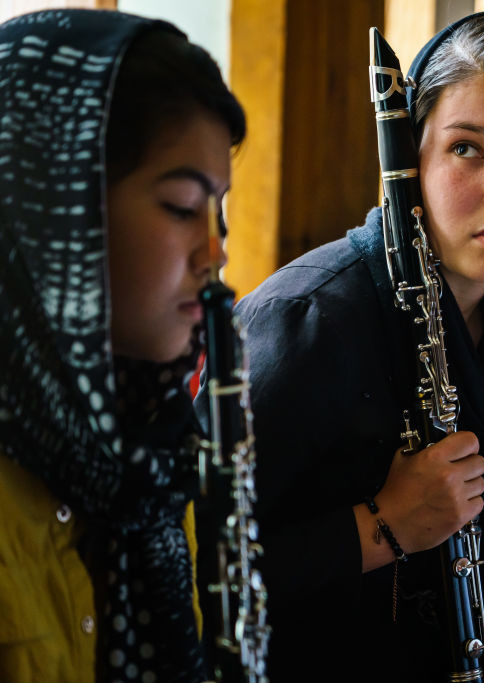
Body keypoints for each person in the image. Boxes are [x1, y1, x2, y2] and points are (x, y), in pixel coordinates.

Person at [199, 9, 484, 681]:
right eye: (468, 149)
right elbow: (187, 569)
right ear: (410, 157)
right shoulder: (309, 321)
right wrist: (380, 525)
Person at [0, 9, 245, 682]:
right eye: (180, 207)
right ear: (52, 213)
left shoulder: (154, 446)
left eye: (219, 211)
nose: (215, 252)